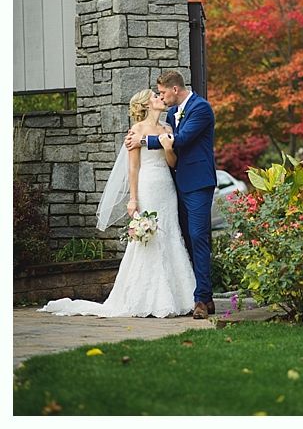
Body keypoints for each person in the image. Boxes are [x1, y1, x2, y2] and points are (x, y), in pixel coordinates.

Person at [41, 89, 196, 317]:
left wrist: (168, 147)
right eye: (155, 97)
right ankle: (147, 299)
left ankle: (180, 297)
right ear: (145, 105)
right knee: (151, 237)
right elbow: (133, 167)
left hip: (166, 187)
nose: (159, 99)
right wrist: (133, 199)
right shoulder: (137, 130)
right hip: (147, 186)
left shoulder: (168, 128)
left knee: (171, 233)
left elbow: (172, 163)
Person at [125, 70, 217, 319]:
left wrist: (143, 142)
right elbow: (169, 149)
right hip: (173, 185)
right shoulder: (173, 117)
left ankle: (200, 300)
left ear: (175, 89)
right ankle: (204, 297)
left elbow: (181, 139)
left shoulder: (201, 108)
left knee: (198, 236)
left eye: (163, 92)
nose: (162, 98)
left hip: (197, 183)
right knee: (184, 238)